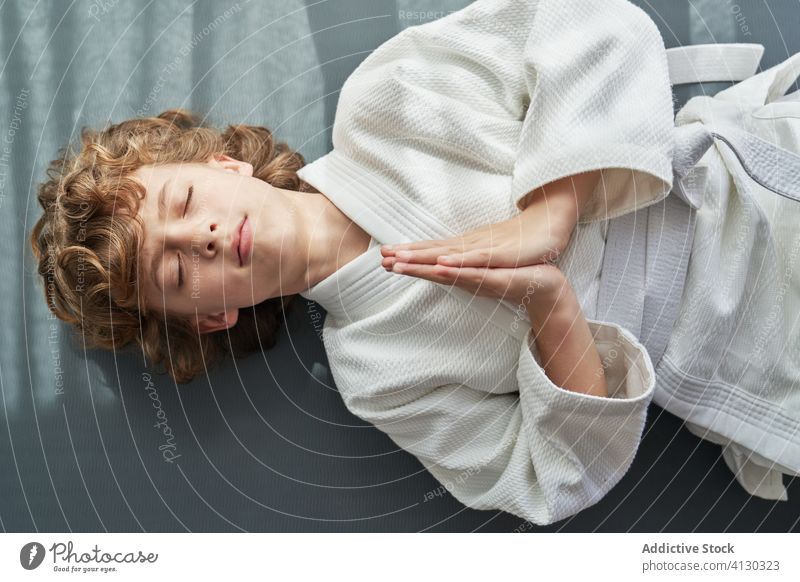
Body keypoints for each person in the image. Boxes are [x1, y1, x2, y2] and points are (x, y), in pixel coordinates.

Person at [30, 0, 800, 524]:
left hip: (758, 185)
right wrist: (549, 304)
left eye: (183, 200)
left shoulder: (390, 97)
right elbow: (555, 473)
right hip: (753, 365)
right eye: (174, 271)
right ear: (210, 315)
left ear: (226, 167)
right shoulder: (379, 373)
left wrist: (551, 214)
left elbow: (583, 21)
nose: (197, 236)